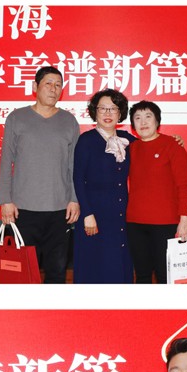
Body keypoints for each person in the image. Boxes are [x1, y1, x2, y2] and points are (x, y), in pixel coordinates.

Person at [0, 65, 80, 283]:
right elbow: (6, 161)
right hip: (22, 209)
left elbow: (74, 165)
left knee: (57, 270)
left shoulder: (69, 121)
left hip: (60, 209)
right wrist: (5, 200)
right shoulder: (17, 118)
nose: (54, 89)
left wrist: (74, 199)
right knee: (21, 272)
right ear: (35, 86)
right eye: (48, 83)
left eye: (58, 85)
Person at [125, 100, 187, 283]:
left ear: (157, 121)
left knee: (165, 276)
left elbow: (184, 186)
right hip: (135, 223)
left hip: (165, 223)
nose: (143, 122)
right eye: (137, 118)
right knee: (142, 275)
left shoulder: (172, 146)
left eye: (148, 116)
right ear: (133, 125)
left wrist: (184, 219)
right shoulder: (130, 148)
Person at [72, 90, 134, 283]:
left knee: (118, 262)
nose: (108, 113)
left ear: (120, 113)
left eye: (113, 109)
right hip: (95, 213)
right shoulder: (86, 140)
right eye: (103, 108)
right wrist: (87, 214)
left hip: (120, 213)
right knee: (94, 263)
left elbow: (151, 144)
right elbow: (78, 178)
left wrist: (174, 140)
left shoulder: (127, 139)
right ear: (94, 111)